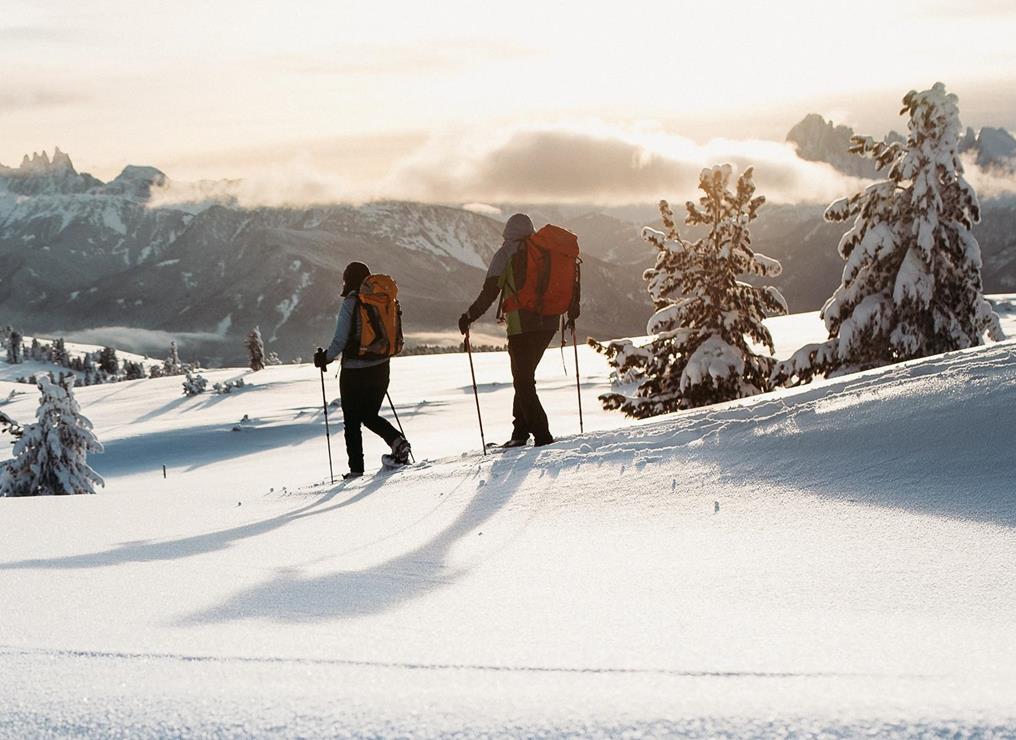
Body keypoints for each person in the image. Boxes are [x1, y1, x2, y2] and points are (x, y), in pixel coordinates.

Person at [458, 213, 565, 448]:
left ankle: (542, 435)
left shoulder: (506, 252)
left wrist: (469, 316)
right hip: (548, 324)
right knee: (524, 377)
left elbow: (489, 292)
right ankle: (520, 433)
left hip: (522, 326)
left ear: (508, 231)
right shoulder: (546, 251)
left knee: (523, 381)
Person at [314, 261, 411, 478]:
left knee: (352, 421)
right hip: (381, 367)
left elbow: (339, 341)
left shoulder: (351, 302)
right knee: (369, 415)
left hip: (354, 371)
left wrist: (324, 358)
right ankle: (397, 442)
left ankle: (356, 470)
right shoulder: (385, 299)